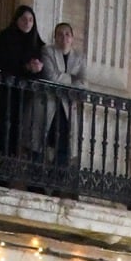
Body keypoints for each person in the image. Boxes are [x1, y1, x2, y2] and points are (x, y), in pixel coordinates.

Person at [0, 5, 48, 162]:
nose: (27, 23)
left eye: (30, 20)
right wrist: (25, 67)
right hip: (4, 93)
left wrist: (37, 68)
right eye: (24, 19)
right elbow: (0, 63)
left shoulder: (38, 44)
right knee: (2, 129)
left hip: (26, 97)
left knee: (19, 131)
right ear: (16, 20)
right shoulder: (5, 38)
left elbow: (41, 74)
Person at [41, 22, 87, 174]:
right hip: (51, 104)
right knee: (47, 142)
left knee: (65, 144)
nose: (64, 37)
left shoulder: (79, 58)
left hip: (68, 107)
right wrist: (72, 79)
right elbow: (51, 76)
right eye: (60, 34)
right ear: (55, 37)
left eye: (67, 34)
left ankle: (57, 178)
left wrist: (65, 79)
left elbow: (83, 83)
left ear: (72, 38)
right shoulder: (47, 51)